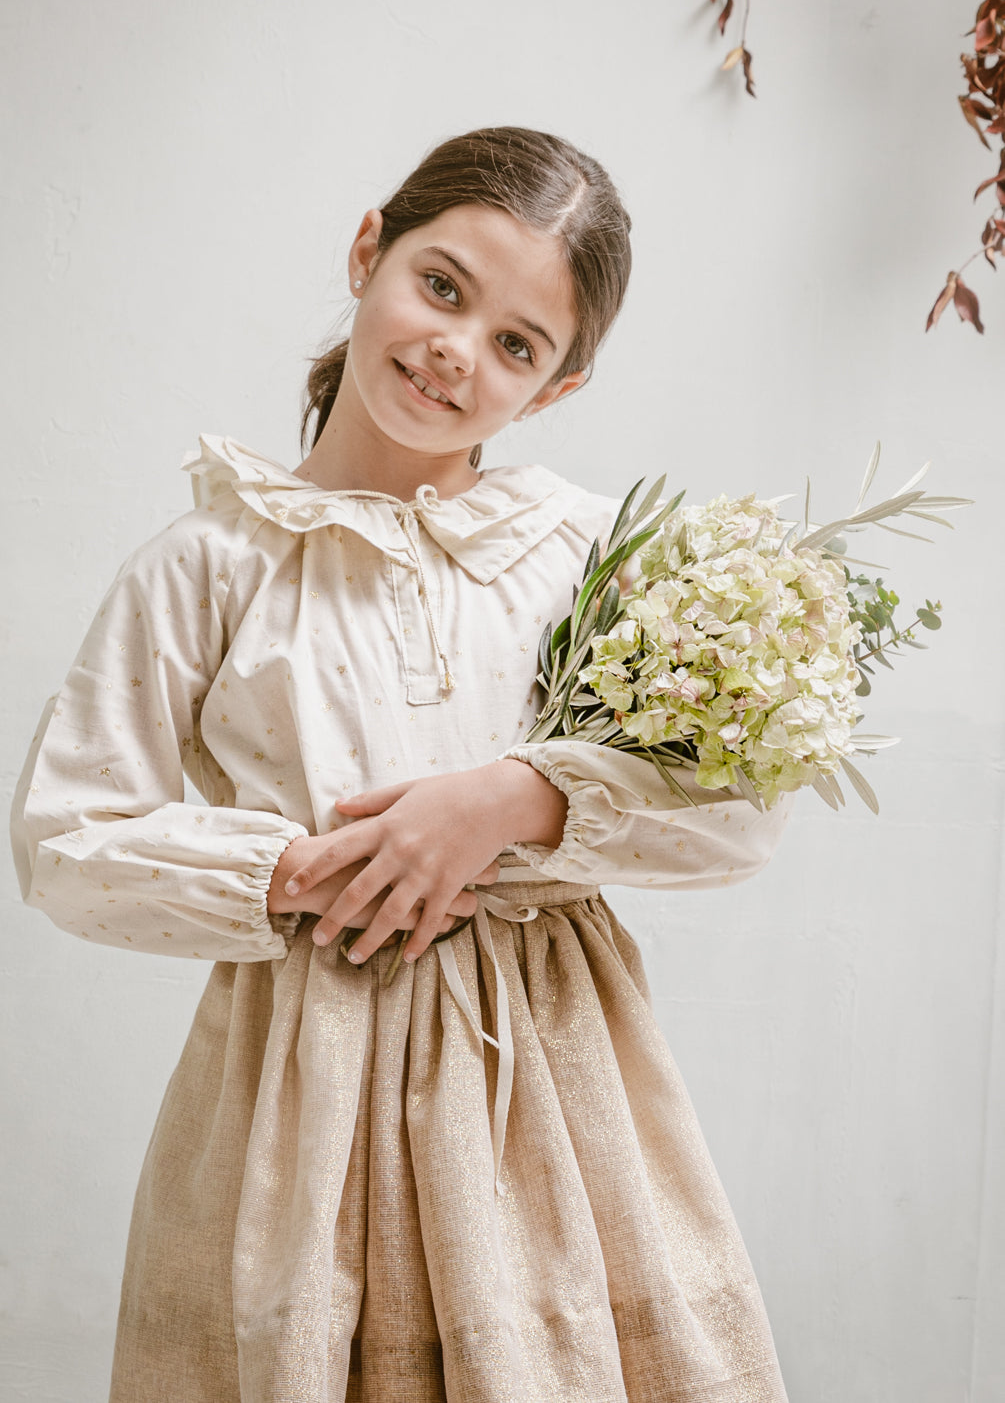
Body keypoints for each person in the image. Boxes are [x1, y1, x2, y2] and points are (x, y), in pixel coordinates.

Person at [10, 126, 792, 1403]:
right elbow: (67, 838)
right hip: (296, 1094)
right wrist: (298, 870)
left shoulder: (595, 555)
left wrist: (513, 799)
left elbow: (738, 813)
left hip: (553, 1096)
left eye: (517, 345)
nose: (456, 350)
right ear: (368, 249)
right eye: (441, 286)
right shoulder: (209, 565)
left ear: (559, 389)